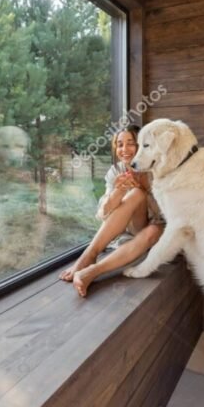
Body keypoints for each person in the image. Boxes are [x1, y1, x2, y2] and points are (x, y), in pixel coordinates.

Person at [59, 125, 165, 297]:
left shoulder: (158, 169)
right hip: (132, 229)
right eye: (120, 144)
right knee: (136, 193)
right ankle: (89, 255)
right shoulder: (117, 171)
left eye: (130, 143)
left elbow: (168, 213)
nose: (124, 149)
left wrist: (147, 188)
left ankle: (93, 271)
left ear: (142, 145)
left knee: (152, 227)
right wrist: (119, 190)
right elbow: (103, 213)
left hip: (159, 226)